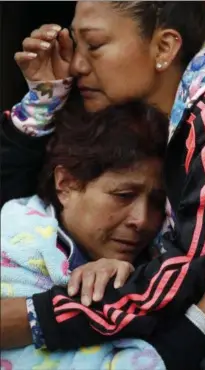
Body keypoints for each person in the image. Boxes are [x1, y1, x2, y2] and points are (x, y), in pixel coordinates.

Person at [1, 2, 205, 370]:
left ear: (164, 47)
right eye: (76, 46)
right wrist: (44, 101)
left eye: (95, 45)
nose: (78, 65)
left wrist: (33, 318)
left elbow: (196, 271)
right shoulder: (154, 112)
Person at [1, 101, 170, 369]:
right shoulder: (12, 241)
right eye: (123, 196)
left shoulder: (163, 262)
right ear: (66, 184)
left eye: (158, 203)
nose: (143, 220)